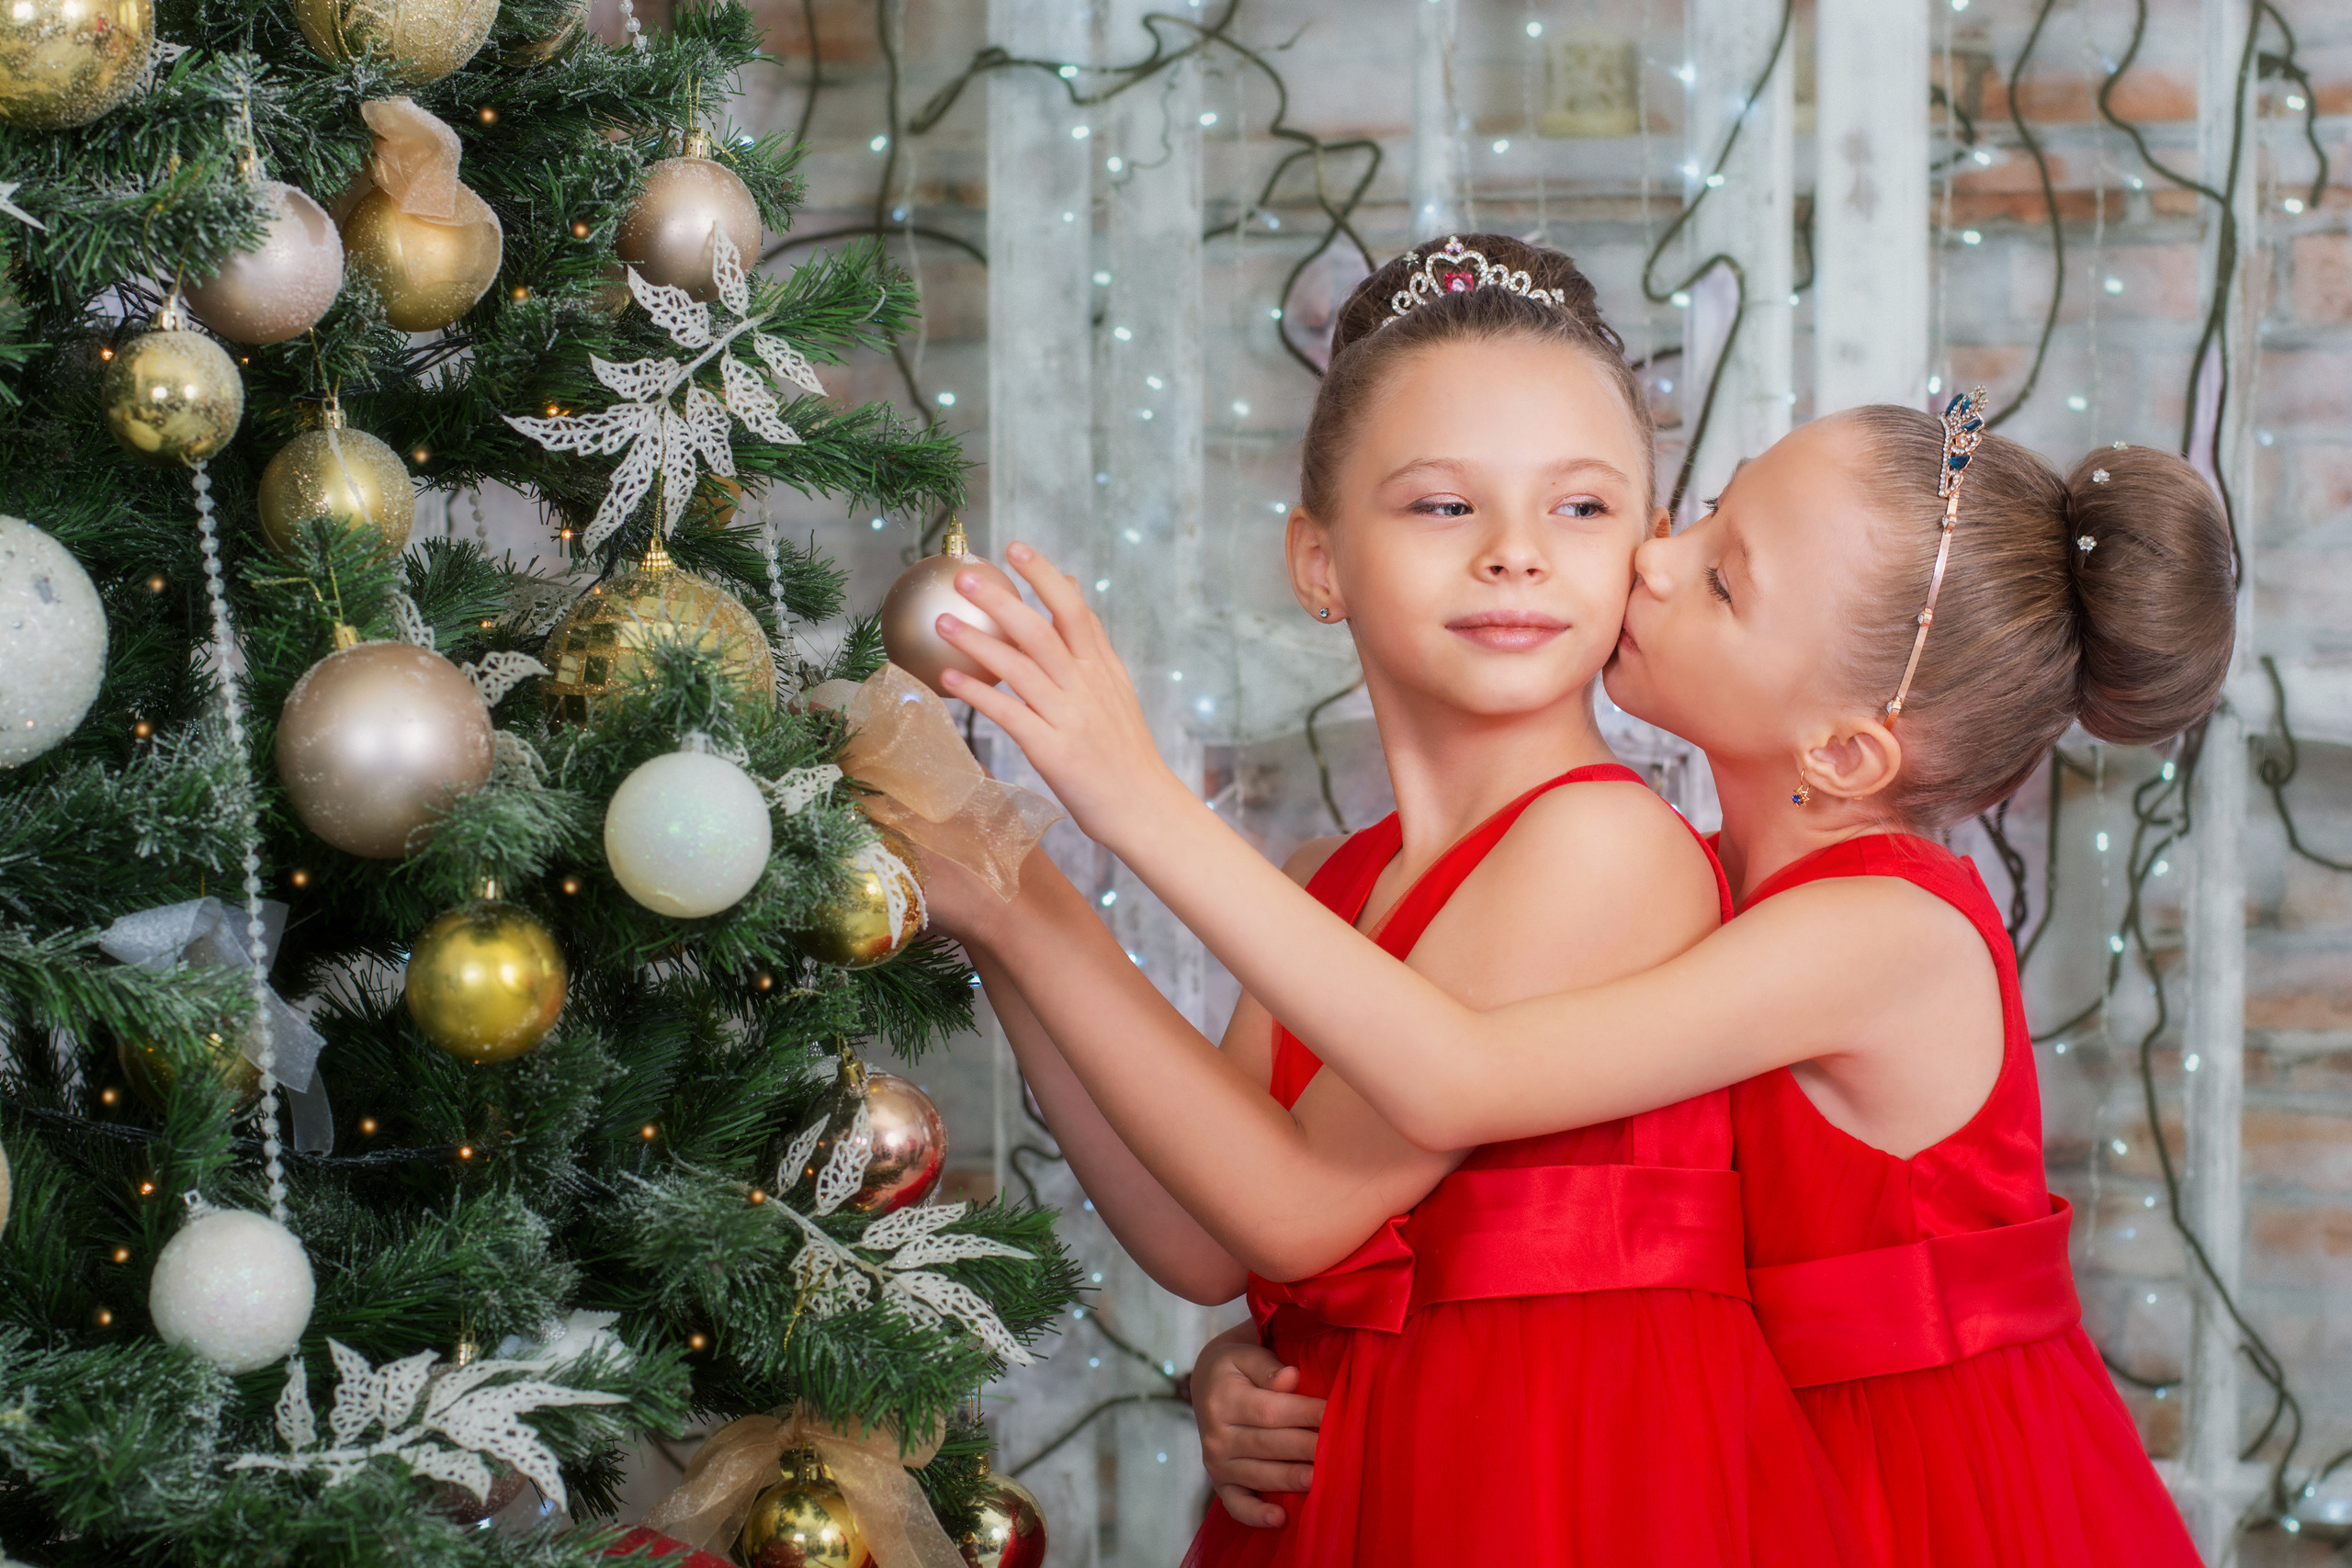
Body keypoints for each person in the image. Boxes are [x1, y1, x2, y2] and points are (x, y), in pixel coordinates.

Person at [937, 381, 2229, 1566]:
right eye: (1702, 508)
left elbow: (1458, 1078)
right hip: (1745, 1453)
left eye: (1723, 579)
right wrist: (1261, 1347)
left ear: (1844, 753)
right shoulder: (1711, 886)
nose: (1653, 560)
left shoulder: (1885, 932)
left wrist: (1139, 803)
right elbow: (1419, 1208)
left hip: (1927, 1497)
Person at [926, 235, 1862, 1565]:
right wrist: (1010, 910)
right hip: (1351, 1480)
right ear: (1318, 562)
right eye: (1441, 507)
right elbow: (1207, 1234)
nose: (1517, 556)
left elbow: (1302, 1209)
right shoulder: (1332, 883)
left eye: (1582, 509)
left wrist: (1125, 797)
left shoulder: (1608, 843)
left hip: (1555, 1489)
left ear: (1641, 552)